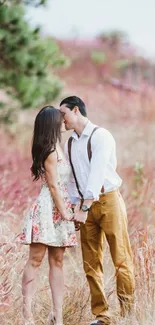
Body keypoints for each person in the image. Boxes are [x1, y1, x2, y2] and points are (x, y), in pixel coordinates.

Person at [60, 96, 135, 325]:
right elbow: (72, 179)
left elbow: (97, 173)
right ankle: (102, 316)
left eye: (63, 114)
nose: (61, 120)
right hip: (85, 206)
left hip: (108, 201)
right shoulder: (69, 143)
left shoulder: (101, 136)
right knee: (91, 263)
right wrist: (75, 207)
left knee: (121, 259)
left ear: (76, 110)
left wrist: (84, 206)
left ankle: (128, 314)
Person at [19, 106, 77, 325]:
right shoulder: (50, 150)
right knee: (35, 259)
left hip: (61, 206)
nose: (63, 121)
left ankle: (58, 316)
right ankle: (27, 315)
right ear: (51, 123)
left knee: (58, 261)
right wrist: (65, 213)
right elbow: (52, 185)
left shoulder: (59, 147)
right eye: (59, 119)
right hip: (48, 208)